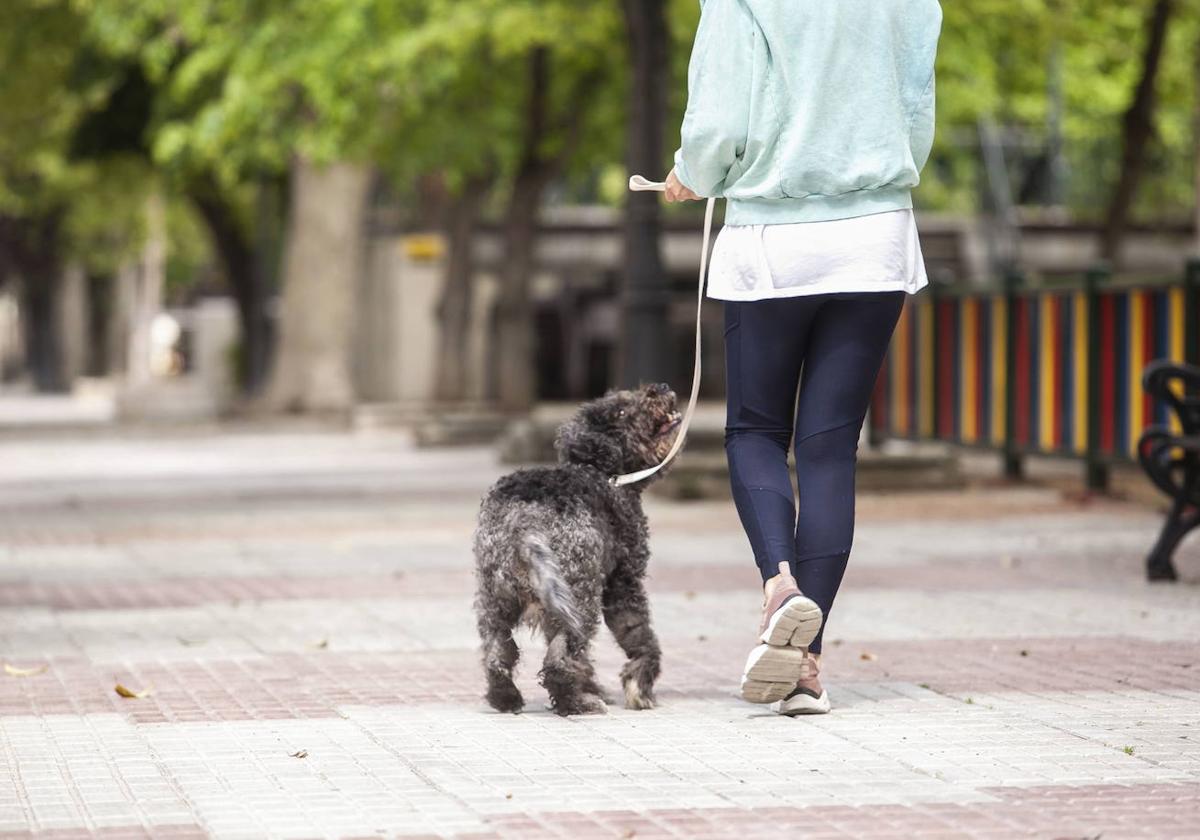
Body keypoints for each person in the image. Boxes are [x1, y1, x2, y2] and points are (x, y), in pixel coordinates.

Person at [665, 0, 943, 715]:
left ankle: (779, 583)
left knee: (755, 431)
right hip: (876, 235)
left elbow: (720, 122)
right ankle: (804, 667)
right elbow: (916, 113)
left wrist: (693, 174)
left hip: (774, 239)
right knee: (829, 449)